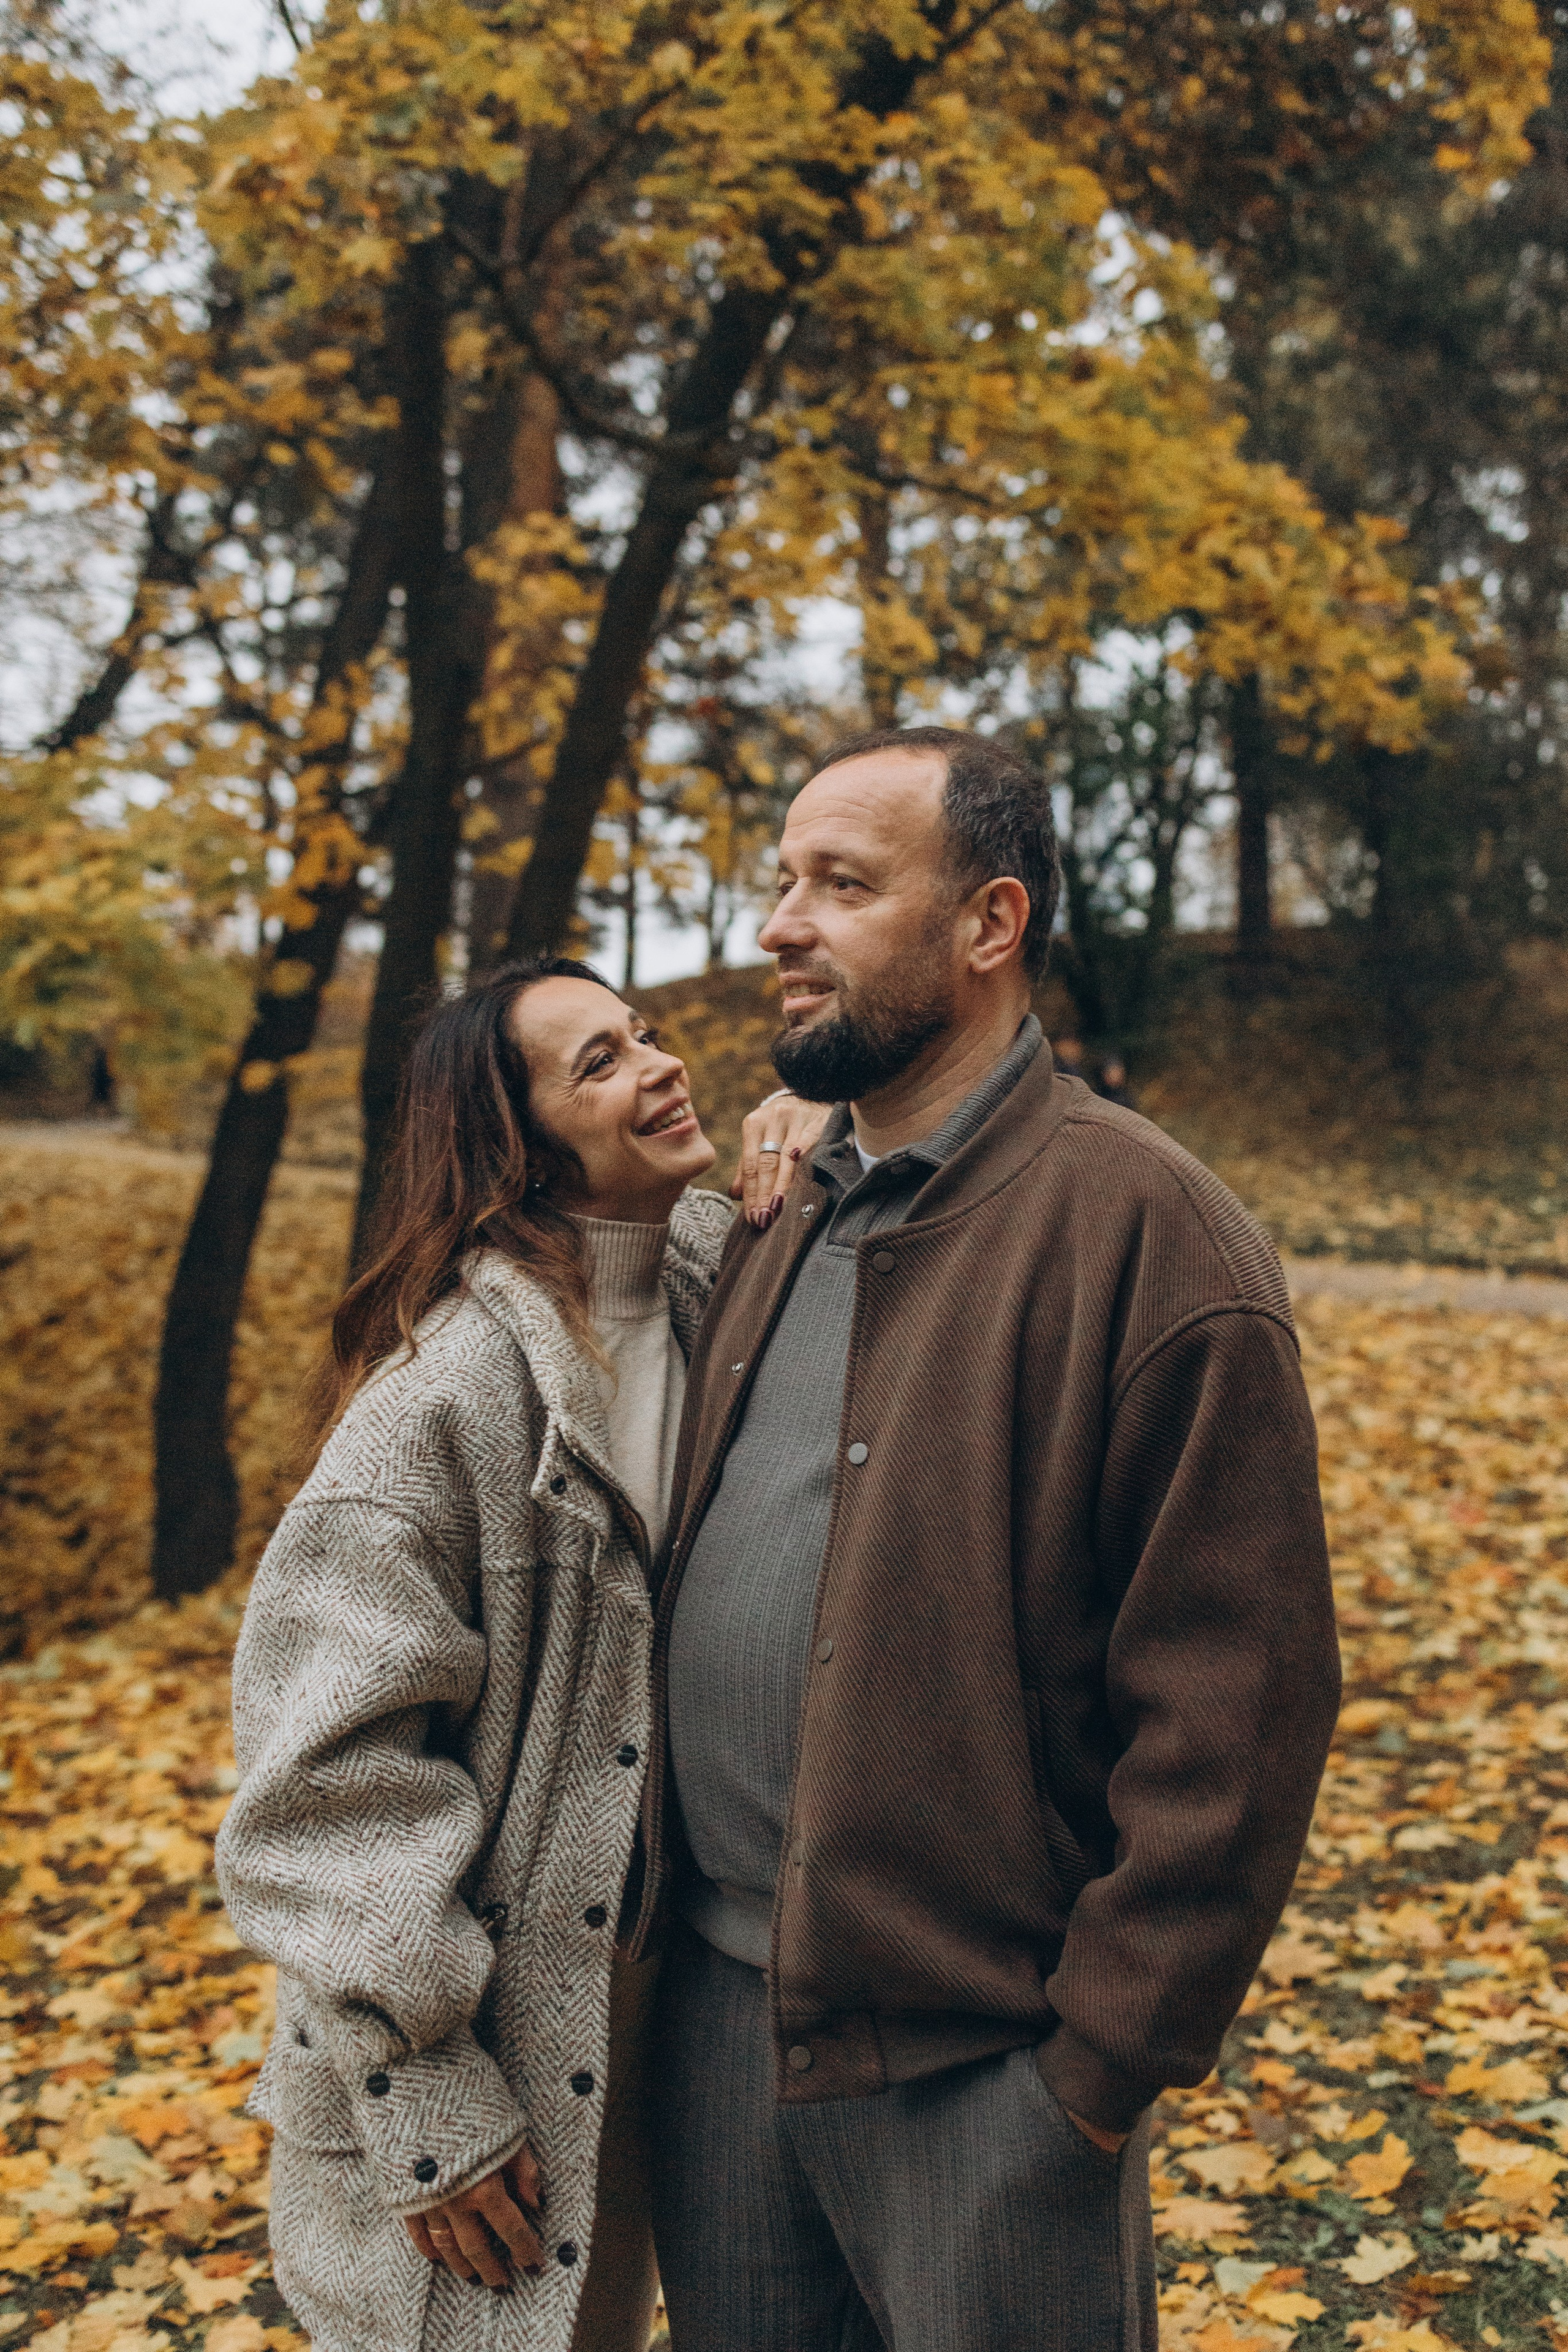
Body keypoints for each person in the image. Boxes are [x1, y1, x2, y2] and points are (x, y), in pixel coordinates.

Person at [637, 726, 1340, 2352]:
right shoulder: (786, 1198)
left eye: (842, 885)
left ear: (990, 923)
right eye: (783, 881)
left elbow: (1243, 1698)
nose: (778, 927)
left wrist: (1097, 2070)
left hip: (984, 2065)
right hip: (718, 2032)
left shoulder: (1150, 1234)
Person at [214, 956, 825, 2352]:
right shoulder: (440, 1408)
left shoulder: (702, 1282)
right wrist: (424, 2090)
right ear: (518, 1150)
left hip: (670, 1979)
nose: (661, 1065)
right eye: (598, 1063)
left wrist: (811, 1111)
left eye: (647, 1033)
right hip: (487, 2030)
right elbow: (315, 1788)